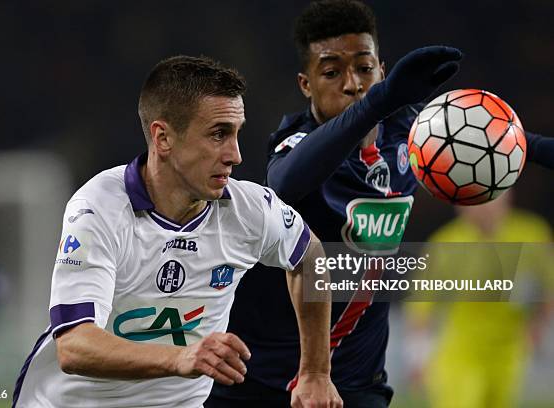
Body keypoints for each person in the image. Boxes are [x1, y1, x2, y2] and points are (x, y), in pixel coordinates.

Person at [207, 1, 554, 407]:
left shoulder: (414, 131)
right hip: (262, 377)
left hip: (358, 379)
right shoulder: (299, 142)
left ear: (383, 71)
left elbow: (504, 139)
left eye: (365, 68)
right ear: (306, 84)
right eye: (332, 71)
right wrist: (380, 100)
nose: (352, 83)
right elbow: (285, 183)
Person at [12, 55, 342, 408]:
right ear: (163, 137)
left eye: (236, 133)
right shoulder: (99, 208)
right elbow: (74, 345)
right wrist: (180, 357)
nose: (236, 155)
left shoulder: (249, 209)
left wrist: (316, 373)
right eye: (219, 134)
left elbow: (310, 256)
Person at [405, 191, 554, 408]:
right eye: (471, 199)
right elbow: (421, 306)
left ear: (507, 196)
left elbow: (548, 285)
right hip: (460, 352)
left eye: (489, 196)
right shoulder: (445, 243)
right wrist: (417, 357)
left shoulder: (532, 234)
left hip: (510, 351)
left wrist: (539, 321)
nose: (481, 207)